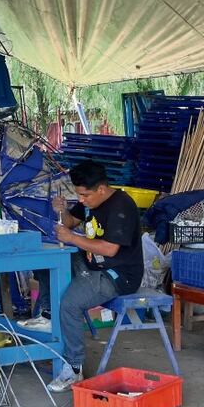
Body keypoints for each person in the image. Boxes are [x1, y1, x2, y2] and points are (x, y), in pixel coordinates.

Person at [19, 160, 143, 392]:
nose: (82, 200)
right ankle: (46, 316)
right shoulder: (90, 200)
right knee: (46, 260)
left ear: (102, 189)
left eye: (85, 195)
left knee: (70, 304)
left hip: (117, 274)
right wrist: (62, 210)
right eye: (79, 195)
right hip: (90, 263)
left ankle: (74, 368)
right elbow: (70, 222)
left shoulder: (121, 206)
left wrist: (72, 238)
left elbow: (109, 249)